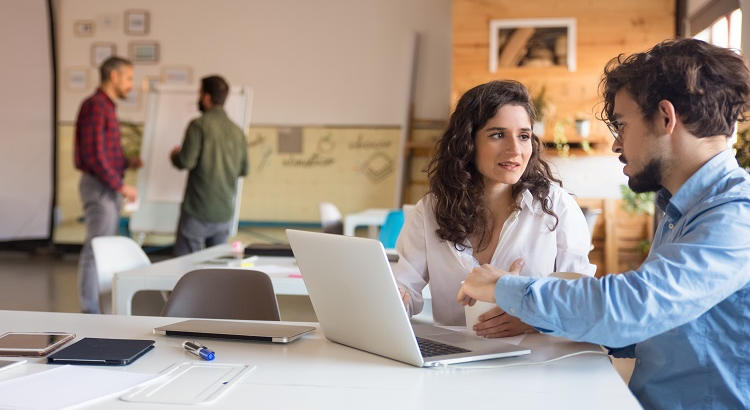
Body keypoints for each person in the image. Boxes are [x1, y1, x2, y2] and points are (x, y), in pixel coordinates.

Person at [457, 38, 750, 409]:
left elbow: (631, 308)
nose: (616, 144)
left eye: (623, 125)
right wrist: (542, 316)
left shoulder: (736, 216)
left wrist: (505, 287)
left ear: (665, 117)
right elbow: (656, 328)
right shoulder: (685, 208)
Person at [394, 80, 596, 336]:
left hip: (538, 365)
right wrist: (394, 299)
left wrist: (533, 318)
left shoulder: (557, 206)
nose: (515, 149)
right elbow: (405, 288)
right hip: (453, 364)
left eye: (524, 136)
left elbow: (583, 299)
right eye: (498, 135)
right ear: (467, 141)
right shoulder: (431, 210)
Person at [74, 56, 141, 314]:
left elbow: (106, 154)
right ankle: (90, 311)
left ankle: (96, 308)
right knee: (96, 249)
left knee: (102, 248)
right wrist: (121, 186)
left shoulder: (107, 107)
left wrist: (128, 162)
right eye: (128, 78)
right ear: (113, 76)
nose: (131, 85)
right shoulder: (95, 106)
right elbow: (94, 156)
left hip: (108, 185)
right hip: (100, 186)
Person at [170, 75, 248, 256]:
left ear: (206, 97)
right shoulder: (237, 132)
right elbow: (244, 169)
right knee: (215, 270)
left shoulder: (198, 125)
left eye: (199, 93)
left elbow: (186, 161)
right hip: (224, 212)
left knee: (186, 268)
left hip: (198, 209)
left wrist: (175, 155)